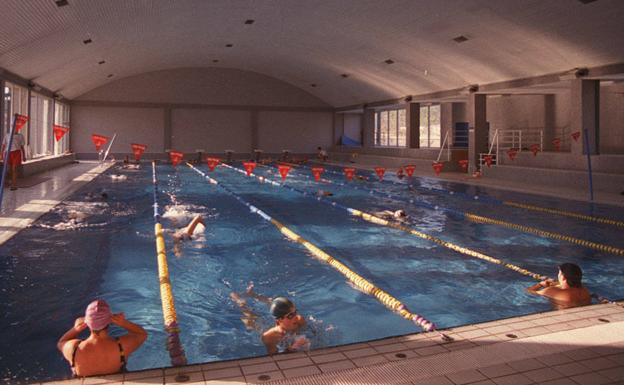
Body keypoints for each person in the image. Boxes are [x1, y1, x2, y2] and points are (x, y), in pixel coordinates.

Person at [57, 299, 147, 377]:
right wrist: (123, 323)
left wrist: (75, 329)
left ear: (87, 323)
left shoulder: (73, 349)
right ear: (110, 321)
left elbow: (61, 342)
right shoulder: (122, 346)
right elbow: (141, 334)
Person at [230, 284, 309, 355]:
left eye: (295, 312)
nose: (296, 316)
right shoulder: (269, 336)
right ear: (279, 320)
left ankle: (252, 294)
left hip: (277, 322)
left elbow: (311, 333)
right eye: (291, 315)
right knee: (248, 314)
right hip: (260, 327)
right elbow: (273, 356)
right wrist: (293, 348)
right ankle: (238, 299)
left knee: (275, 304)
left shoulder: (299, 320)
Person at [527, 263, 592, 310]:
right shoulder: (584, 290)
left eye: (559, 273)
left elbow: (530, 291)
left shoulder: (553, 291)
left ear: (563, 277)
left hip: (562, 314)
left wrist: (540, 284)